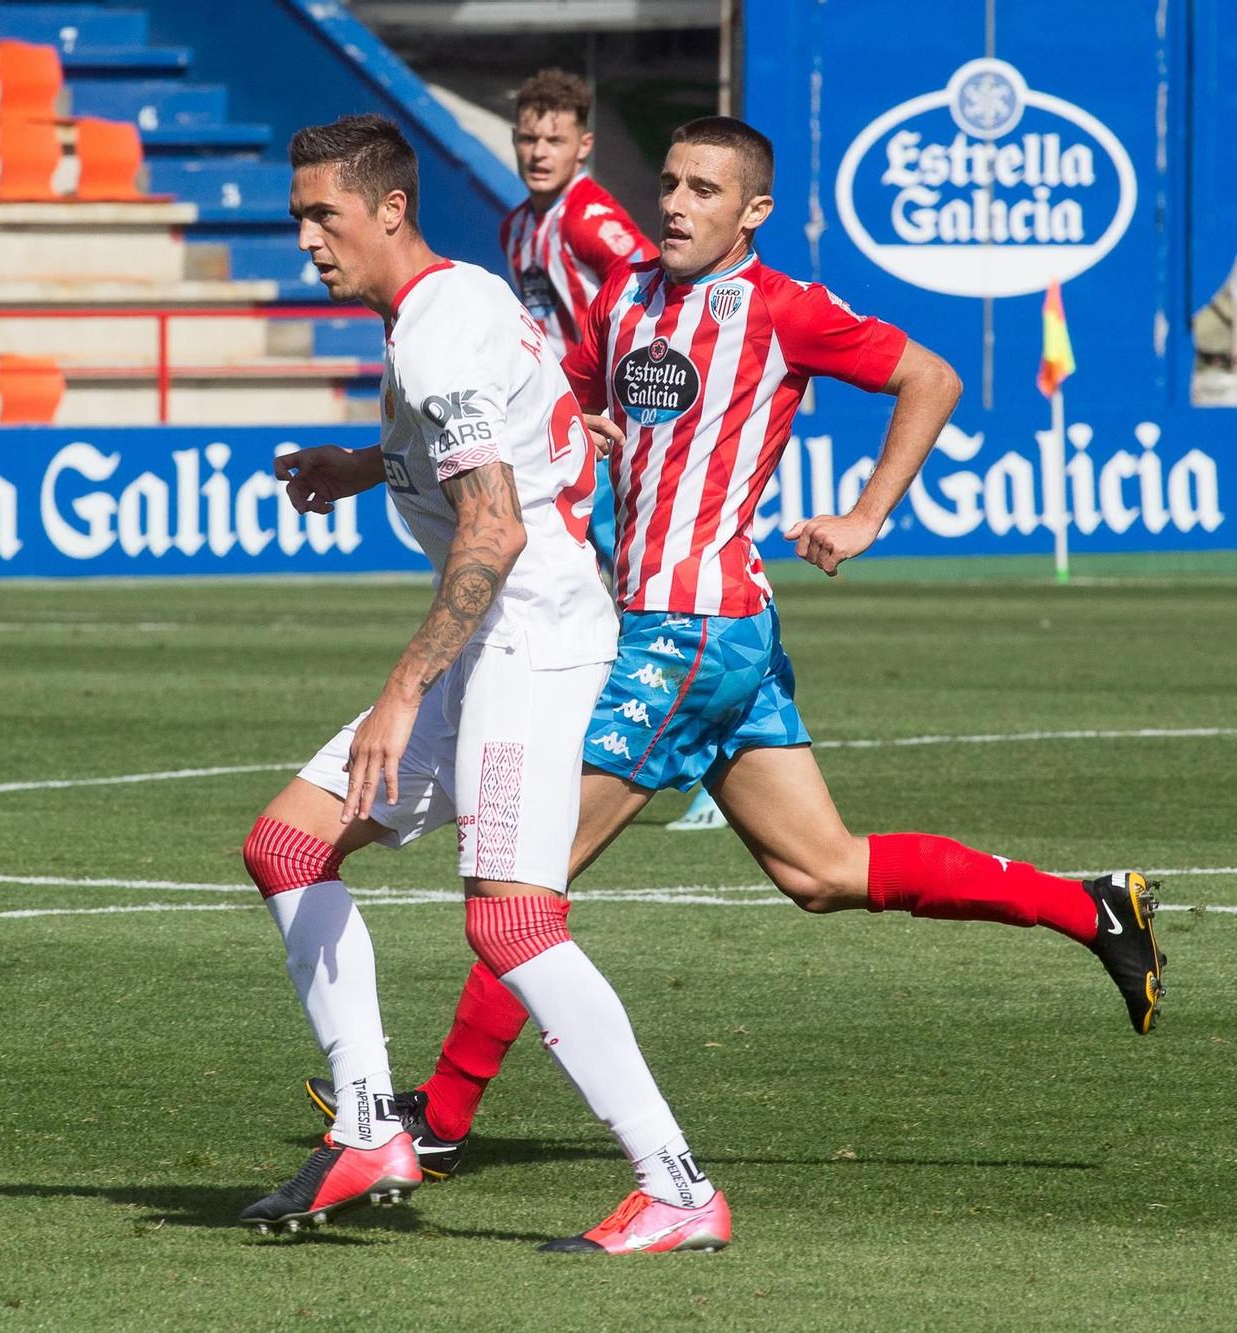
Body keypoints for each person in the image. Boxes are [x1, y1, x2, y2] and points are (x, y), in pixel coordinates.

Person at [301, 116, 1165, 1180]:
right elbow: (540, 414)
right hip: (694, 632)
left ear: (750, 211)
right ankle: (1090, 904)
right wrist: (374, 462)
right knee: (820, 868)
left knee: (523, 888)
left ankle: (438, 1110)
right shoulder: (623, 300)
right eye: (667, 182)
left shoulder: (778, 306)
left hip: (690, 631)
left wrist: (864, 515)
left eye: (704, 191)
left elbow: (928, 378)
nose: (673, 203)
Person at [240, 114, 730, 1255]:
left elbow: (495, 528)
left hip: (529, 639)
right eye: (298, 214)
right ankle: (369, 1126)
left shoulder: (434, 335)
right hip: (498, 634)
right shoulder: (451, 295)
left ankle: (676, 1187)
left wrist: (406, 685)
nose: (308, 237)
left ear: (389, 209)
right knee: (285, 846)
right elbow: (501, 440)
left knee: (511, 921)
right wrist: (361, 466)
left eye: (325, 214)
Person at [501, 69, 726, 833]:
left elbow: (656, 288)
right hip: (561, 433)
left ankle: (689, 757)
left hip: (603, 441)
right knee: (603, 585)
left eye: (554, 139)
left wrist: (621, 405)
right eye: (528, 137)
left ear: (584, 146)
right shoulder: (518, 225)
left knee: (638, 590)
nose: (538, 151)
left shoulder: (588, 218)